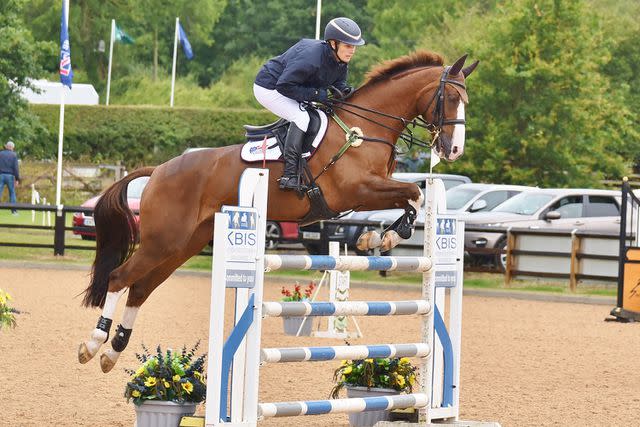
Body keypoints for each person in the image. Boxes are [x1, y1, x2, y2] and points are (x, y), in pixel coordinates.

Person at [254, 17, 365, 191]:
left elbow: (339, 85)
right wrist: (317, 95)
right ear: (334, 44)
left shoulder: (341, 61)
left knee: (321, 116)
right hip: (269, 87)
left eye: (354, 47)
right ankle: (289, 175)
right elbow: (284, 85)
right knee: (301, 117)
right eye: (348, 46)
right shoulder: (311, 58)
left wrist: (347, 93)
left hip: (289, 87)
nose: (352, 51)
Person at [0, 140, 20, 215]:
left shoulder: (0, 154)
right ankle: (14, 211)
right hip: (10, 176)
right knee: (12, 193)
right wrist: (17, 179)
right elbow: (16, 168)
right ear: (12, 147)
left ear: (6, 146)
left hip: (1, 175)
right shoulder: (14, 155)